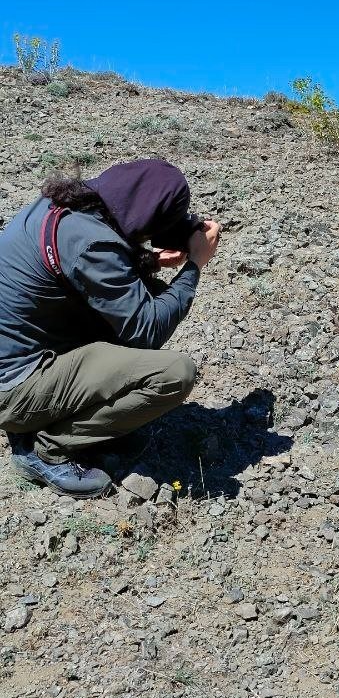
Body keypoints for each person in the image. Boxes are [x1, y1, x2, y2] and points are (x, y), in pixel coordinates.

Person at [0, 159, 221, 497]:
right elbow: (147, 331)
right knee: (175, 374)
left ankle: (52, 417)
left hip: (18, 357)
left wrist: (149, 260)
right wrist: (194, 266)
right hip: (13, 389)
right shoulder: (94, 243)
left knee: (142, 297)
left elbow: (97, 270)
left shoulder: (64, 208)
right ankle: (46, 448)